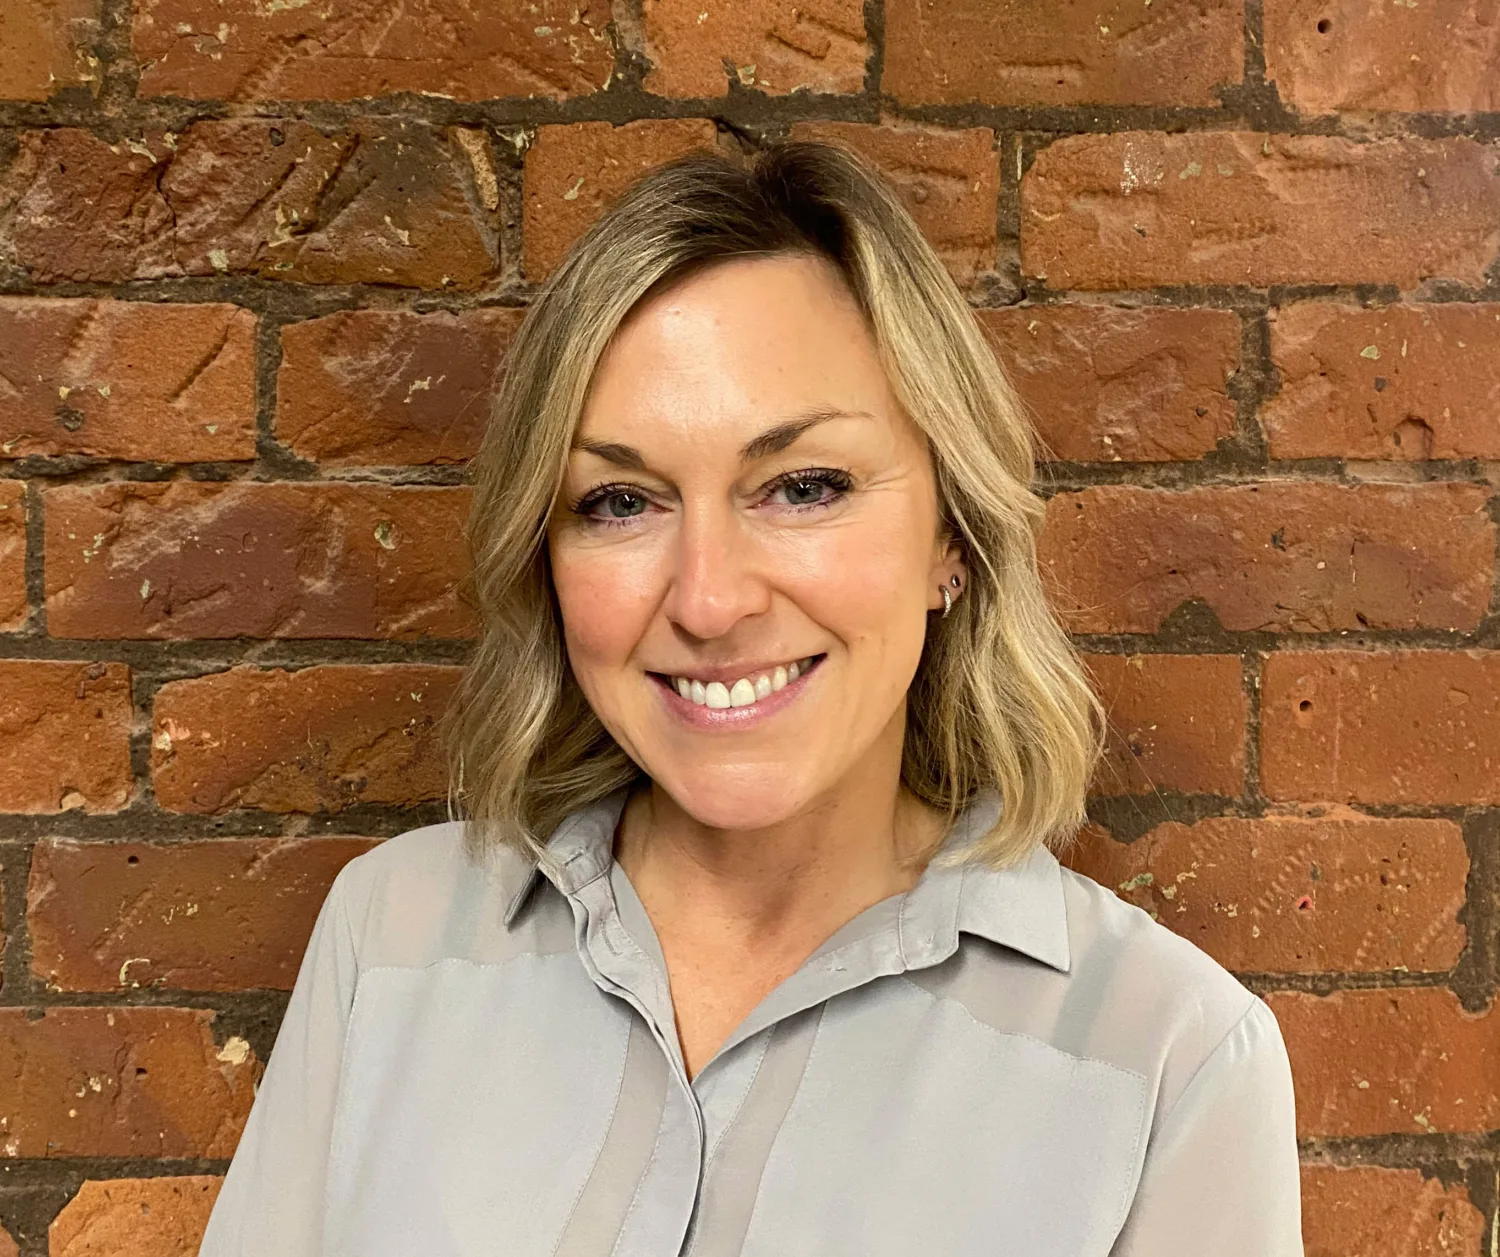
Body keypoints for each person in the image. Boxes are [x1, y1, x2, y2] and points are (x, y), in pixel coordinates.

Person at [198, 140, 1302, 1256]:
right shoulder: (390, 938)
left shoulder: (1167, 1063)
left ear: (951, 539)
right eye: (621, 501)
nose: (710, 599)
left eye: (805, 486)